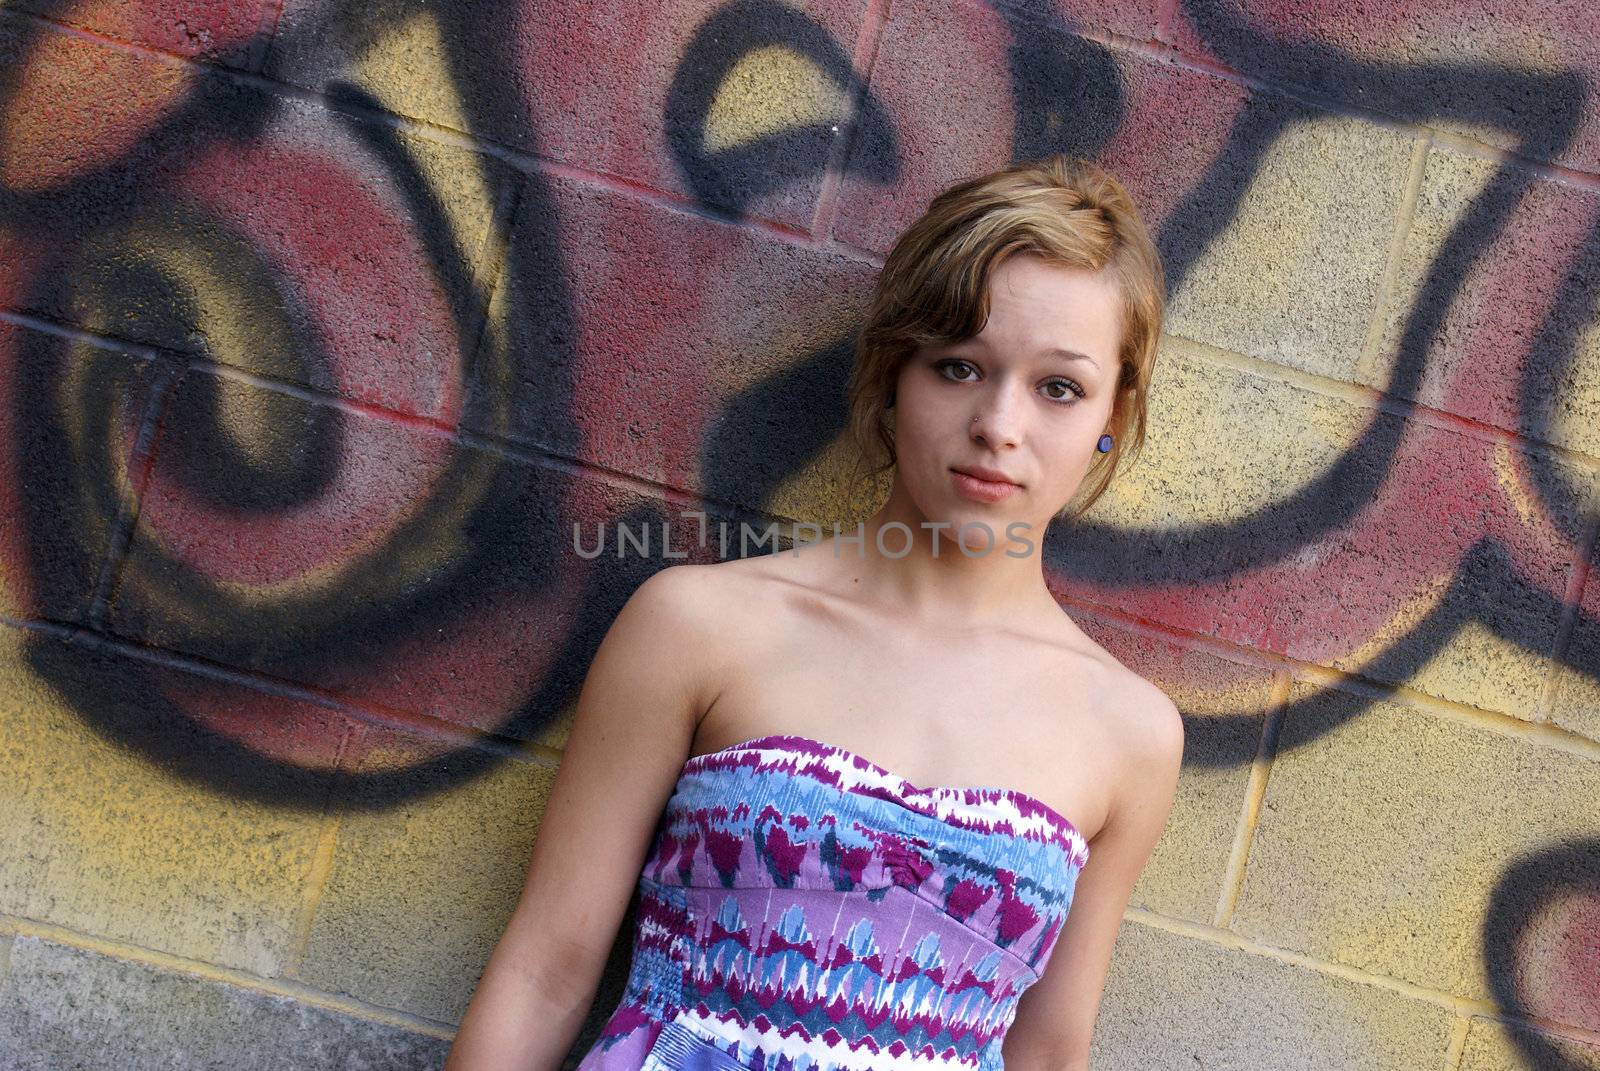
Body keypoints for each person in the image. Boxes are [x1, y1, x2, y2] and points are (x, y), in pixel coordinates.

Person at [446, 154, 1184, 1071]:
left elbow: (1048, 1052)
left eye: (1059, 387)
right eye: (959, 366)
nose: (1000, 423)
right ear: (892, 376)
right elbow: (549, 969)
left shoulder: (1129, 733)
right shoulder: (699, 627)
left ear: (1115, 412)